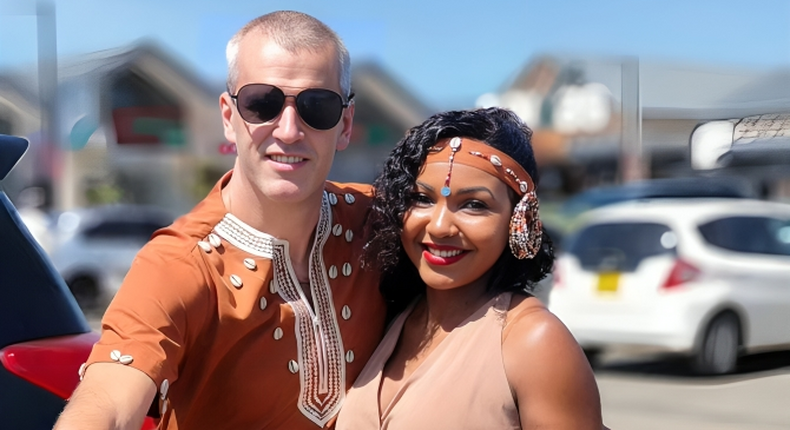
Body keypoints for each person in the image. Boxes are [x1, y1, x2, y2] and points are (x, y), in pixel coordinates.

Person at [54, 11, 386, 430]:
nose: (287, 130)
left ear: (346, 124)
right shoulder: (179, 264)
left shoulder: (379, 223)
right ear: (229, 117)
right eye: (261, 103)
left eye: (317, 107)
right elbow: (109, 400)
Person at [336, 108, 606, 429]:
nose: (439, 227)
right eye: (421, 199)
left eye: (474, 204)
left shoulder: (534, 342)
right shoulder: (390, 316)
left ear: (520, 218)